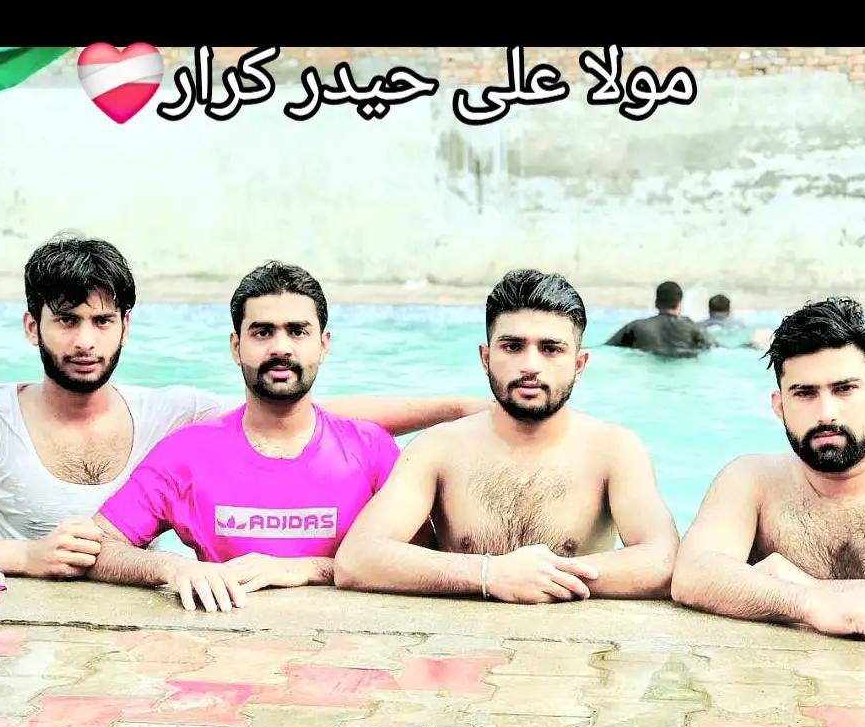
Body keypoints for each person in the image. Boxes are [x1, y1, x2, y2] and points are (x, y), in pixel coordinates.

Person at [0, 239, 482, 580]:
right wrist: (23, 556)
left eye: (102, 321)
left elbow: (294, 413)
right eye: (66, 321)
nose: (85, 341)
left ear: (125, 328)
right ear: (32, 327)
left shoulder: (174, 415)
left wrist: (460, 408)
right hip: (22, 603)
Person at [91, 262, 426, 611]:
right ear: (236, 347)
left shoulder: (371, 450)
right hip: (225, 638)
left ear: (323, 345)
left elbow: (424, 557)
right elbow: (99, 547)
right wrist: (173, 567)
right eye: (263, 332)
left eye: (297, 331)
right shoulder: (187, 453)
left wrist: (309, 569)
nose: (281, 348)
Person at [334, 268, 678, 604]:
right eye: (513, 346)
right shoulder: (438, 448)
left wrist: (544, 576)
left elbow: (661, 561)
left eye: (551, 349)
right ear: (486, 358)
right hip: (458, 639)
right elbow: (357, 559)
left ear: (579, 365)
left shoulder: (614, 450)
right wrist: (488, 574)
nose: (530, 365)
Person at [672, 296, 865, 638]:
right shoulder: (750, 480)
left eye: (845, 389)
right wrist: (808, 602)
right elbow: (693, 574)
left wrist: (811, 589)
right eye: (804, 393)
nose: (826, 413)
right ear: (780, 406)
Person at [605, 281, 714, 357]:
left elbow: (605, 348)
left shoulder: (636, 327)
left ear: (656, 303)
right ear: (679, 304)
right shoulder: (693, 328)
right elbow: (714, 348)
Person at [700, 294, 773, 352]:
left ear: (709, 309)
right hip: (742, 347)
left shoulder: (701, 326)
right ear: (729, 309)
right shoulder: (740, 324)